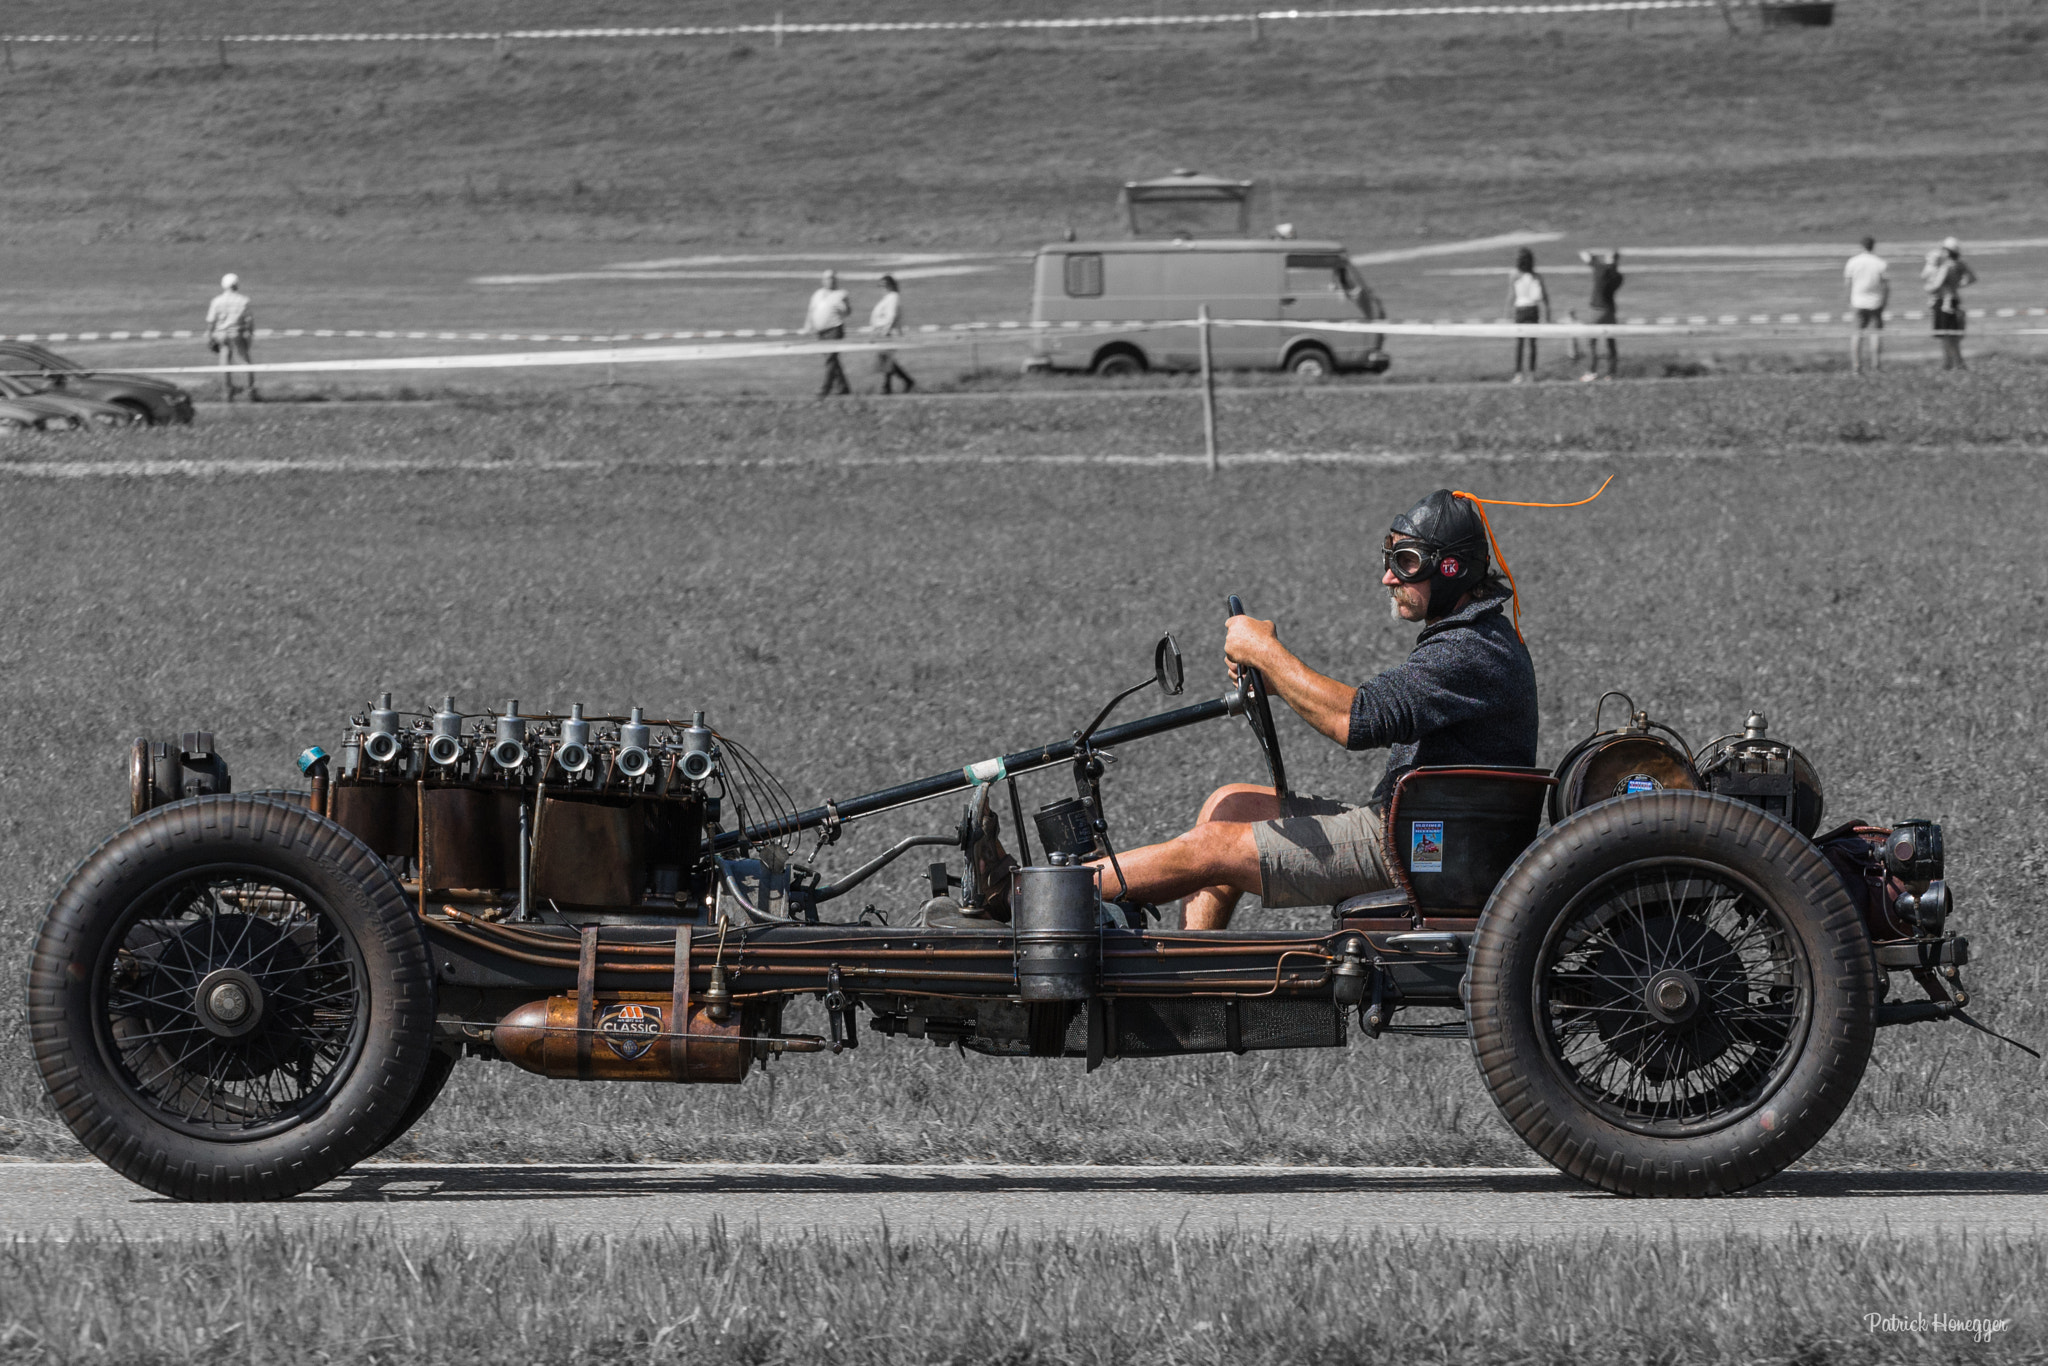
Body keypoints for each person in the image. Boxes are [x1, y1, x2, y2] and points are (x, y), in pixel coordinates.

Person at [953, 490, 1539, 929]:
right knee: (1230, 803)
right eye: (1389, 557)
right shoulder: (1471, 639)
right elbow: (1362, 711)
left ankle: (1026, 894)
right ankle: (1186, 975)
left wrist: (1266, 652)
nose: (1388, 576)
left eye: (1406, 563)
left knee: (1213, 849)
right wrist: (1275, 677)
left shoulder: (1471, 650)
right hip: (1413, 827)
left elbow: (1355, 721)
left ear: (1452, 569)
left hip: (1416, 849)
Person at [203, 273, 260, 402]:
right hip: (237, 334)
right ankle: (249, 392)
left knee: (224, 363)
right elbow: (249, 321)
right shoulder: (243, 300)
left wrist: (209, 336)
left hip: (221, 334)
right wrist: (250, 334)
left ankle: (227, 392)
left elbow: (211, 321)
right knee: (245, 362)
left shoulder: (217, 301)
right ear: (237, 284)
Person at [1924, 237, 1977, 372]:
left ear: (1947, 251)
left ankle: (1951, 363)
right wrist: (1957, 286)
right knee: (1953, 336)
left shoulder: (1946, 266)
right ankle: (1955, 363)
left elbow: (1937, 285)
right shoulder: (1960, 264)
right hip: (1955, 299)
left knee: (1946, 336)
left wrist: (1928, 287)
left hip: (1943, 302)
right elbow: (1972, 278)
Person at [1844, 237, 1889, 374]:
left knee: (1857, 334)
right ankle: (1876, 366)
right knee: (1875, 335)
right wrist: (1884, 302)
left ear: (1861, 246)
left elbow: (1848, 283)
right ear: (1873, 246)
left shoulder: (1853, 262)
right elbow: (1885, 286)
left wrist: (1849, 301)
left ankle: (1856, 366)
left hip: (1857, 302)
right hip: (1876, 302)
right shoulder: (1880, 263)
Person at [803, 269, 852, 397]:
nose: (830, 281)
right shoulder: (817, 294)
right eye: (827, 278)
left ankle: (825, 388)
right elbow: (811, 311)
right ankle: (843, 388)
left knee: (831, 359)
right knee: (832, 360)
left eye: (832, 278)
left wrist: (845, 305)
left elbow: (847, 312)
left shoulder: (841, 294)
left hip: (834, 329)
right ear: (823, 280)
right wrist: (808, 326)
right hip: (821, 332)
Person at [1505, 248, 1551, 382]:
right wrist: (1547, 313)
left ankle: (1519, 373)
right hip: (1532, 310)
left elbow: (1511, 296)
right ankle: (1531, 373)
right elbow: (1545, 297)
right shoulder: (1536, 276)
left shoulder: (1514, 275)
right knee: (1532, 344)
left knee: (1520, 344)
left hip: (1521, 310)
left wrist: (1507, 313)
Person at [1579, 249, 1624, 381]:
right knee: (1611, 342)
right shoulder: (1618, 276)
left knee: (1592, 342)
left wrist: (1593, 256)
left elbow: (1584, 255)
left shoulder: (1600, 268)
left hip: (1596, 310)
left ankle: (1592, 371)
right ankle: (1611, 373)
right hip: (1610, 310)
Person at [867, 275, 915, 394]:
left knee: (886, 360)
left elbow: (891, 316)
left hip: (888, 333)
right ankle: (897, 383)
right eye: (881, 286)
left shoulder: (893, 297)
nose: (882, 288)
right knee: (886, 360)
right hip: (883, 332)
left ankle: (890, 386)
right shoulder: (888, 298)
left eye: (884, 285)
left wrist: (885, 330)